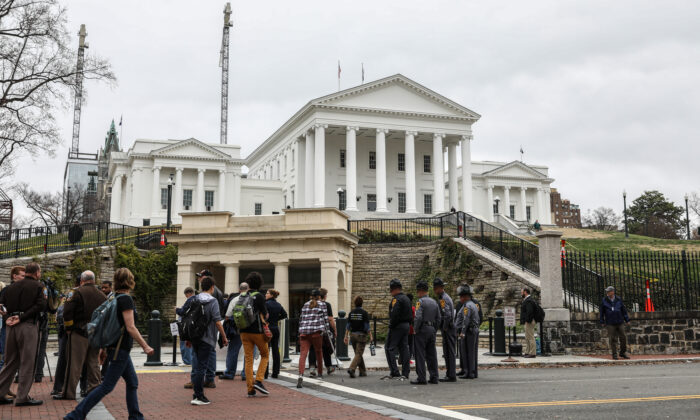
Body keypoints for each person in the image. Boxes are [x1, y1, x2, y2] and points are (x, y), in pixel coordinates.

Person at [63, 267, 154, 420]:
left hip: (116, 347)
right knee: (106, 386)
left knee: (132, 382)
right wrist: (145, 346)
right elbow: (130, 327)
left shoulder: (115, 298)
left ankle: (135, 416)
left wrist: (104, 348)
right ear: (130, 281)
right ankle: (76, 415)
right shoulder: (126, 299)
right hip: (121, 348)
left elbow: (111, 325)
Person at [55, 271, 107, 401]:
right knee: (93, 363)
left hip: (79, 333)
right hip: (95, 334)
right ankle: (95, 390)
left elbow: (67, 313)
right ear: (94, 280)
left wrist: (69, 328)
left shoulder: (76, 292)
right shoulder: (102, 295)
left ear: (82, 281)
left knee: (74, 364)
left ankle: (68, 392)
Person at [0, 262, 46, 407]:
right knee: (27, 361)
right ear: (37, 272)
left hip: (11, 326)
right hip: (27, 325)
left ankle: (0, 391)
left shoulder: (10, 287)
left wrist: (7, 317)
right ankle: (22, 397)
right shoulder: (39, 286)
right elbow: (41, 306)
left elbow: (1, 305)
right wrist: (21, 317)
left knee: (10, 361)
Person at [190, 276, 228, 406]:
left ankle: (197, 393)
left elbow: (187, 317)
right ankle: (198, 395)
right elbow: (217, 321)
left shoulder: (194, 299)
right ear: (212, 287)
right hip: (207, 337)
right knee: (202, 367)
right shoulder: (213, 301)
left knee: (197, 365)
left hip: (195, 336)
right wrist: (223, 336)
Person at [239, 272, 270, 397]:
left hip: (243, 332)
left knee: (248, 359)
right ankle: (259, 380)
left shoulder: (242, 295)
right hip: (257, 331)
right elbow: (265, 314)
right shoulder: (260, 296)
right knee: (265, 355)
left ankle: (250, 389)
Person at [296, 289, 328, 389]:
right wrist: (328, 331)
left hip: (304, 332)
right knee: (318, 351)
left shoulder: (305, 304)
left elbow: (301, 319)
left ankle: (300, 375)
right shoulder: (322, 304)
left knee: (303, 354)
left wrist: (300, 331)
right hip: (316, 332)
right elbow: (325, 319)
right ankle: (320, 374)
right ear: (319, 296)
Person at [410, 282, 440, 385]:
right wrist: (434, 329)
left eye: (418, 291)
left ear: (420, 291)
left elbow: (418, 317)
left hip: (422, 329)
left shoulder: (420, 302)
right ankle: (434, 376)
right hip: (431, 329)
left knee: (420, 354)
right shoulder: (434, 302)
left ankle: (422, 378)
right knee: (432, 355)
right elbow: (438, 318)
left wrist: (416, 329)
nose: (417, 294)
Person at [383, 279, 411, 380]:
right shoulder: (406, 298)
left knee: (389, 348)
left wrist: (391, 325)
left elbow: (394, 314)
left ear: (394, 289)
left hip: (397, 326)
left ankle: (394, 371)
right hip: (406, 326)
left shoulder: (396, 299)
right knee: (404, 349)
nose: (390, 292)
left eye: (391, 290)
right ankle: (405, 372)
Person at [220, 283, 248, 380]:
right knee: (249, 352)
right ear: (248, 289)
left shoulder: (235, 299)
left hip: (237, 329)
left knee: (233, 351)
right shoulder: (252, 299)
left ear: (239, 290)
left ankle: (230, 373)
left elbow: (227, 316)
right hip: (250, 330)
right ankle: (246, 374)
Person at [0, 266, 24, 375]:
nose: (25, 278)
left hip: (21, 325)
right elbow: (1, 306)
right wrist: (6, 318)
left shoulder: (25, 289)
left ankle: (6, 387)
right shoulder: (6, 290)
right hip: (8, 325)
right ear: (15, 276)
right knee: (6, 357)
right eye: (22, 276)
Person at [433, 278, 457, 382]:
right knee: (448, 351)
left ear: (438, 288)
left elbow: (447, 314)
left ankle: (451, 375)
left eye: (435, 288)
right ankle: (450, 373)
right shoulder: (445, 297)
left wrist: (445, 327)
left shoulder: (443, 299)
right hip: (449, 327)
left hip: (448, 328)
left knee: (449, 352)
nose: (434, 291)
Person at [309, 287, 336, 375]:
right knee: (325, 347)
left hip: (311, 329)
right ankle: (328, 367)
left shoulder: (309, 304)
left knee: (312, 348)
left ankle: (312, 368)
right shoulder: (326, 305)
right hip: (322, 329)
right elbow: (330, 319)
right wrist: (335, 330)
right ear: (323, 296)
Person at [344, 296, 372, 378]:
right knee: (359, 354)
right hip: (361, 335)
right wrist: (370, 335)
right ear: (362, 303)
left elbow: (348, 326)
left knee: (358, 354)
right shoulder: (364, 313)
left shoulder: (351, 313)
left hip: (353, 335)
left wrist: (346, 336)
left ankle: (362, 372)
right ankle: (352, 369)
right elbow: (367, 326)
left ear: (354, 303)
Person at [600, 286, 631, 360]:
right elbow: (602, 312)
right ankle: (614, 354)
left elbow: (623, 310)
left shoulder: (618, 299)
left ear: (612, 292)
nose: (607, 293)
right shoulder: (604, 300)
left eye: (609, 291)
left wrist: (627, 320)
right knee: (612, 339)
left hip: (620, 321)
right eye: (607, 291)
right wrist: (602, 321)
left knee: (623, 337)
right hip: (610, 322)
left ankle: (622, 352)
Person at [456, 286, 480, 379]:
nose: (460, 298)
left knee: (467, 352)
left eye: (461, 296)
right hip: (472, 330)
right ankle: (473, 372)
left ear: (465, 297)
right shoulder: (472, 304)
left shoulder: (467, 306)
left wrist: (462, 332)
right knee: (472, 352)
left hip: (469, 331)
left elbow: (466, 319)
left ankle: (468, 372)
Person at [264, 289, 287, 379]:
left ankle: (265, 372)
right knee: (275, 350)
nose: (265, 294)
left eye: (267, 293)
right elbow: (285, 315)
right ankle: (275, 372)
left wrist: (267, 321)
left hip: (267, 329)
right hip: (275, 328)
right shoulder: (278, 305)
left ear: (272, 295)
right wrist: (276, 319)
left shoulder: (266, 304)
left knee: (266, 350)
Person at [175, 287, 196, 366]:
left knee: (185, 343)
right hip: (194, 325)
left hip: (186, 325)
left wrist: (177, 309)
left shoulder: (190, 300)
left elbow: (182, 312)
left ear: (188, 293)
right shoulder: (197, 300)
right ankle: (191, 360)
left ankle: (187, 361)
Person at [520, 287, 538, 358]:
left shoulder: (529, 300)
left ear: (525, 292)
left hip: (529, 321)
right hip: (527, 321)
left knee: (530, 337)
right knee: (527, 337)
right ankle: (527, 352)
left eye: (522, 292)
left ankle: (533, 353)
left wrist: (527, 321)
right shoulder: (527, 300)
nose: (521, 294)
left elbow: (529, 312)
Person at [406, 293, 416, 363]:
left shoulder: (404, 308)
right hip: (411, 328)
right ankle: (408, 358)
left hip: (404, 327)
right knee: (411, 344)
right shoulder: (413, 308)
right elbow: (415, 318)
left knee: (405, 344)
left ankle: (405, 357)